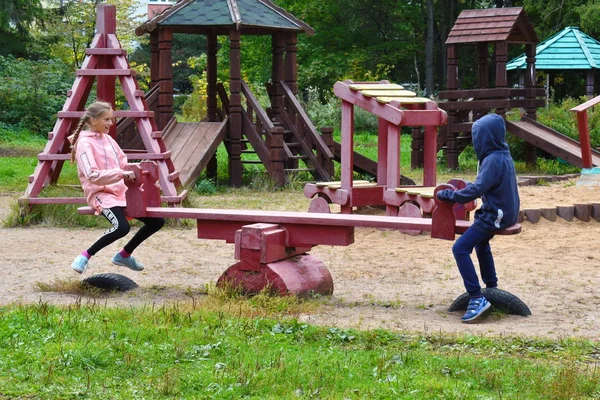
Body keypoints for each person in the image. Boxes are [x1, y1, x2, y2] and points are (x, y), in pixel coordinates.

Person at [436, 113, 520, 323]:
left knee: (460, 248)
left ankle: (476, 297)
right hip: (503, 212)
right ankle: (492, 288)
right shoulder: (502, 154)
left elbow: (478, 188)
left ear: (486, 138)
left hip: (497, 216)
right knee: (481, 244)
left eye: (478, 138)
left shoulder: (493, 160)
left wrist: (452, 196)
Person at [68, 101, 165, 274]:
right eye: (106, 119)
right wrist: (120, 174)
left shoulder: (109, 140)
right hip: (101, 194)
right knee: (121, 227)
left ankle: (124, 255)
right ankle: (84, 256)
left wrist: (142, 173)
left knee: (157, 221)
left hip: (121, 192)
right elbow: (92, 175)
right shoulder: (83, 144)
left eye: (111, 119)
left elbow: (123, 164)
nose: (110, 124)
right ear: (92, 120)